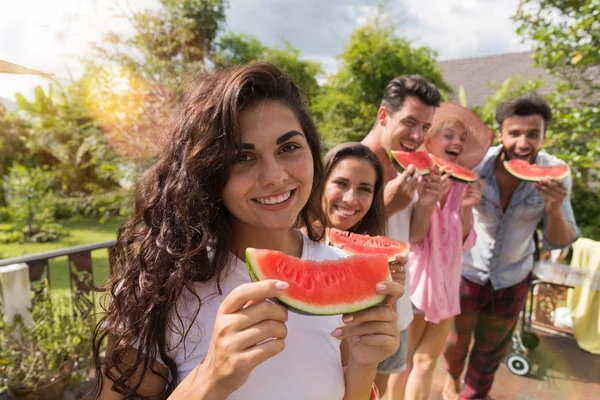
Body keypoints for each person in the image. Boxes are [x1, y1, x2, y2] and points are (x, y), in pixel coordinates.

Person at [92, 63, 404, 400]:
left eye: (288, 148)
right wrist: (210, 379)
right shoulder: (161, 288)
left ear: (312, 151)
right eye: (243, 156)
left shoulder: (341, 266)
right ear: (209, 171)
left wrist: (363, 364)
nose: (274, 176)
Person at [442, 94, 580, 400]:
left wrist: (555, 209)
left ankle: (474, 394)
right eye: (514, 133)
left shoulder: (557, 173)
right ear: (501, 132)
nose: (523, 143)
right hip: (466, 271)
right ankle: (451, 377)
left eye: (533, 134)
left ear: (544, 136)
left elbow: (560, 239)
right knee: (454, 342)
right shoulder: (475, 164)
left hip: (512, 277)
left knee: (492, 348)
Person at [397, 103, 493, 400]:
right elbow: (415, 237)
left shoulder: (462, 186)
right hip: (416, 284)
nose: (458, 143)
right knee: (405, 362)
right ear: (429, 141)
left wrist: (466, 208)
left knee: (427, 362)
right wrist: (428, 200)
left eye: (462, 139)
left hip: (448, 284)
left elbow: (465, 241)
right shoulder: (413, 179)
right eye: (449, 135)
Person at [361, 75, 444, 399]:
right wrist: (383, 207)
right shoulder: (350, 164)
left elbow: (412, 237)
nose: (416, 136)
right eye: (409, 123)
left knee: (378, 393)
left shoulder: (402, 166)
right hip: (360, 310)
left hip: (398, 308)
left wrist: (425, 203)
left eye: (425, 127)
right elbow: (325, 234)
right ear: (384, 116)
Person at [321, 141, 406, 291]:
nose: (350, 199)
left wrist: (387, 299)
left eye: (364, 189)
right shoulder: (289, 241)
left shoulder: (376, 257)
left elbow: (387, 314)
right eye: (341, 183)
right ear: (320, 183)